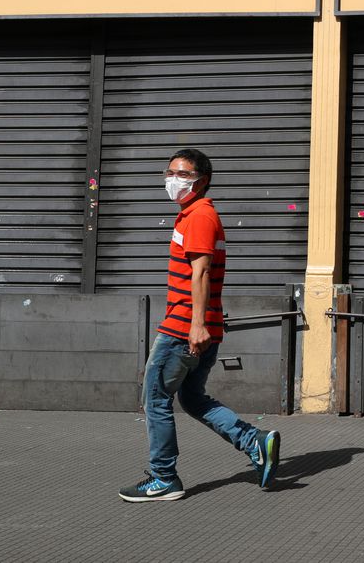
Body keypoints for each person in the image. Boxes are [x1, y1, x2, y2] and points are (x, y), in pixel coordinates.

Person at [120, 148, 280, 502]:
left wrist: (195, 326)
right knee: (192, 398)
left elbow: (202, 271)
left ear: (201, 181)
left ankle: (163, 478)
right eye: (169, 172)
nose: (172, 180)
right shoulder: (192, 215)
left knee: (156, 399)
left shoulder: (199, 216)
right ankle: (254, 442)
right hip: (200, 325)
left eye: (182, 174)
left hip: (183, 328)